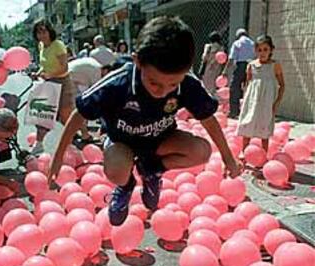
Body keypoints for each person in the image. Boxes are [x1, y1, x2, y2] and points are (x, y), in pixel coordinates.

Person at [48, 16, 242, 226]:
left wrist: (228, 157)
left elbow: (208, 119)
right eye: (155, 83)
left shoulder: (187, 83)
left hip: (161, 141)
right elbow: (80, 113)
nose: (163, 92)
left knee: (202, 151)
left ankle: (151, 170)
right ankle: (126, 185)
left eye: (172, 85)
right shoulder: (117, 83)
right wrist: (58, 157)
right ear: (138, 61)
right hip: (122, 144)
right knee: (115, 169)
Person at [31, 19, 76, 154]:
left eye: (44, 31)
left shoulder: (58, 45)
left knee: (66, 117)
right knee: (43, 115)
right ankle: (38, 144)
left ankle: (77, 139)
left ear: (50, 31)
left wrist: (50, 75)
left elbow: (64, 67)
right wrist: (38, 73)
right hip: (48, 84)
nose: (42, 35)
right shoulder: (41, 46)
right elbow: (44, 65)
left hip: (63, 83)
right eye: (38, 32)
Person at [236, 35, 285, 153]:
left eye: (265, 49)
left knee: (265, 126)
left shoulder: (275, 65)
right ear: (255, 50)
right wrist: (244, 100)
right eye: (259, 50)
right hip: (252, 101)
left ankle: (263, 154)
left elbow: (282, 85)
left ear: (271, 50)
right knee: (248, 122)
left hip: (267, 102)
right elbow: (248, 84)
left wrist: (277, 102)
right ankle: (244, 152)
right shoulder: (251, 65)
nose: (262, 53)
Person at [222, 28, 254, 118]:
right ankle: (249, 112)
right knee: (249, 90)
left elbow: (231, 59)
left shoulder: (237, 43)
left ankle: (234, 112)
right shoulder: (252, 43)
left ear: (238, 35)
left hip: (241, 66)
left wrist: (225, 71)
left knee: (234, 88)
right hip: (252, 66)